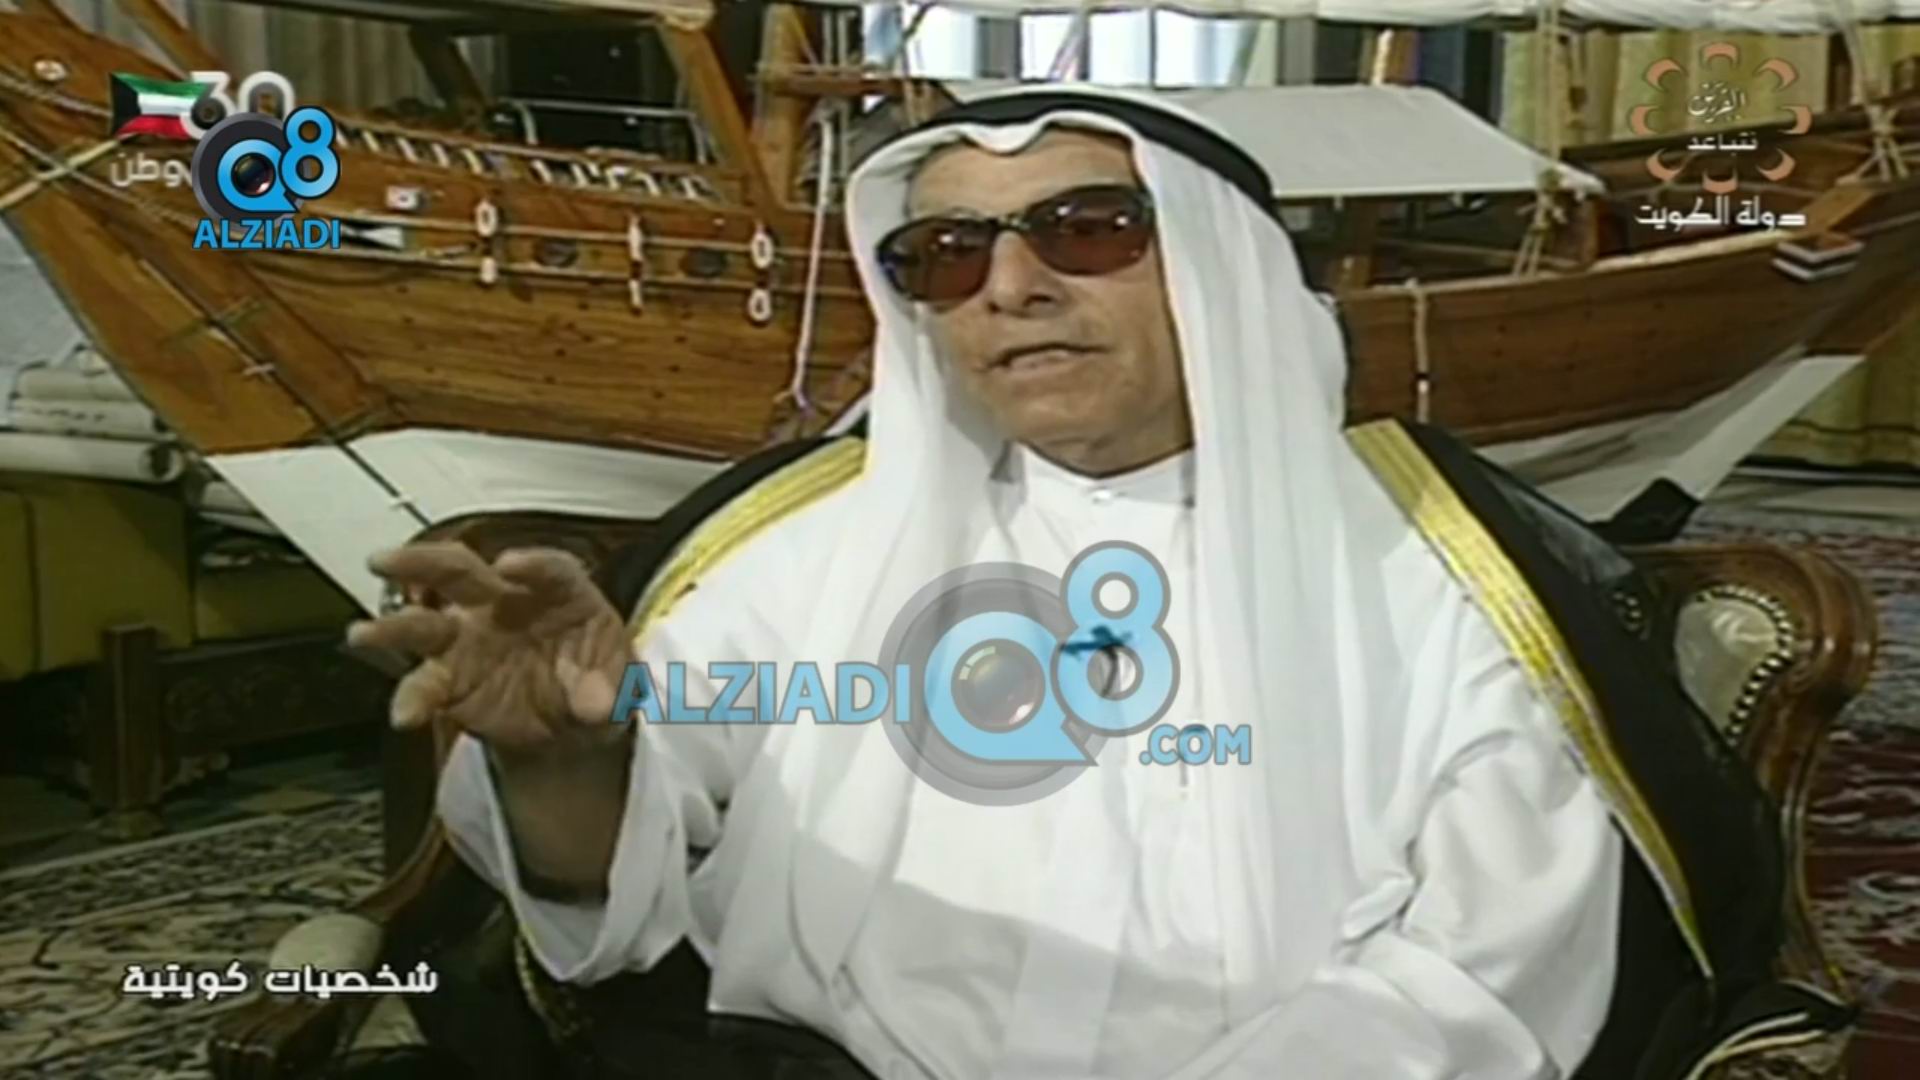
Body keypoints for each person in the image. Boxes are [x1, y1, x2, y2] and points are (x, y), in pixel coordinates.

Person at [351, 86, 1843, 1079]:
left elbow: (1485, 978)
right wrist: (563, 762)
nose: (1012, 285)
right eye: (946, 254)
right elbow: (613, 904)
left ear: (1222, 273)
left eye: (1088, 230)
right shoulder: (803, 550)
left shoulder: (1436, 567)